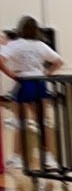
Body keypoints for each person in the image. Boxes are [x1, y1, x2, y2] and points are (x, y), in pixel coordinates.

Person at [0, 15, 63, 171]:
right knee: (44, 121)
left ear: (20, 29)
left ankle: (18, 157)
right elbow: (59, 62)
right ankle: (49, 157)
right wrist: (47, 73)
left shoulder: (15, 45)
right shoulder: (40, 45)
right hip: (39, 82)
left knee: (20, 122)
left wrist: (11, 75)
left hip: (23, 82)